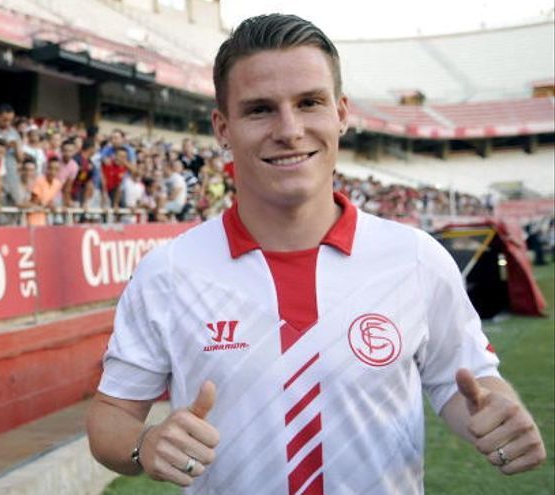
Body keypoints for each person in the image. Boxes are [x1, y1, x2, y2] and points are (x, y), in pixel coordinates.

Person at [86, 14, 545, 494]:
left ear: (341, 114)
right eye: (260, 109)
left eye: (309, 103)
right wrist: (146, 443)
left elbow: (465, 384)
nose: (290, 129)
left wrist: (495, 417)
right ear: (222, 128)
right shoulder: (170, 272)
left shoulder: (415, 258)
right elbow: (112, 414)